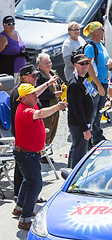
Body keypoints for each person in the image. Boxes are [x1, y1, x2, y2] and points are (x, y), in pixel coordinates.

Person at [12, 83, 67, 231]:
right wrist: (57, 107)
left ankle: (19, 207)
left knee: (29, 181)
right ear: (23, 98)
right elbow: (41, 114)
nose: (36, 95)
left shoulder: (29, 102)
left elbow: (38, 92)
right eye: (32, 94)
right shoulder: (26, 110)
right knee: (35, 184)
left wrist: (48, 83)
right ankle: (25, 218)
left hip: (28, 153)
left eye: (35, 93)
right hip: (27, 154)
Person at [10, 64, 57, 202]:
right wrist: (57, 107)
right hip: (23, 135)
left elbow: (35, 93)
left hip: (26, 136)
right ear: (24, 78)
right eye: (33, 76)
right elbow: (39, 110)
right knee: (27, 173)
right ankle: (23, 203)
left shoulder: (27, 92)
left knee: (25, 171)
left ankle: (20, 199)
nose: (36, 78)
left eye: (37, 75)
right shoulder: (21, 92)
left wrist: (48, 83)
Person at [83, 21, 112, 145]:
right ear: (95, 32)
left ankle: (96, 134)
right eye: (101, 29)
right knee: (92, 111)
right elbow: (88, 67)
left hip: (104, 81)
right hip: (95, 83)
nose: (103, 31)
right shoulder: (90, 47)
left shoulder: (101, 43)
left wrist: (110, 61)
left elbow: (107, 57)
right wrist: (99, 85)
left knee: (99, 110)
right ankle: (91, 138)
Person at [67, 54, 94, 168]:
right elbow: (77, 109)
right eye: (82, 64)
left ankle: (70, 174)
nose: (85, 66)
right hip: (78, 125)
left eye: (87, 63)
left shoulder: (84, 80)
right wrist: (85, 129)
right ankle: (73, 180)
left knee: (78, 149)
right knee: (79, 153)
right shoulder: (74, 84)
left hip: (85, 122)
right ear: (75, 65)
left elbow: (92, 96)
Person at [36, 53, 64, 145]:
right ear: (40, 66)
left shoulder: (53, 73)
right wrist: (53, 95)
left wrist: (62, 89)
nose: (49, 65)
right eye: (46, 63)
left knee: (53, 130)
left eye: (50, 62)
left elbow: (59, 84)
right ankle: (43, 153)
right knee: (46, 131)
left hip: (56, 107)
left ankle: (48, 150)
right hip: (46, 108)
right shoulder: (39, 78)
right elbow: (39, 95)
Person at [0, 16, 26, 84]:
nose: (11, 26)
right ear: (3, 25)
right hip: (11, 70)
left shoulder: (16, 33)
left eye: (13, 24)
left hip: (21, 69)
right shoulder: (3, 37)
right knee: (13, 91)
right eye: (9, 24)